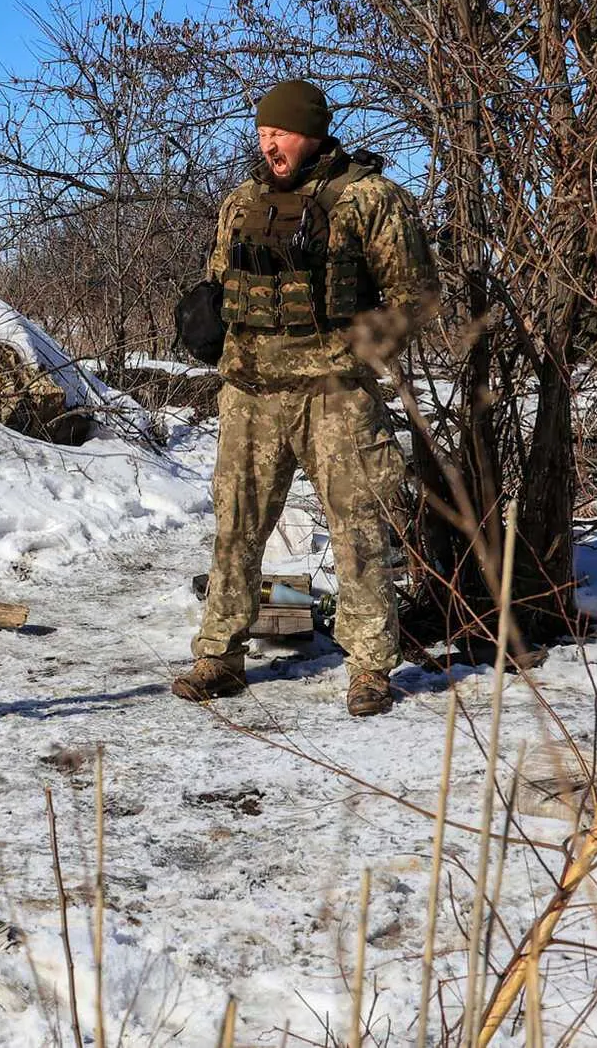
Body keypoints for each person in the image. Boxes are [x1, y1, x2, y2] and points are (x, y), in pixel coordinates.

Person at [172, 80, 439, 717]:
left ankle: (370, 666)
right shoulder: (241, 202)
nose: (269, 145)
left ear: (313, 134)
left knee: (359, 528)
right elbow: (221, 280)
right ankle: (219, 656)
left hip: (335, 396)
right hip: (251, 393)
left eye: (282, 133)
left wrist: (358, 350)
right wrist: (208, 320)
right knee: (235, 526)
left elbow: (417, 296)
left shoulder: (370, 199)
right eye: (263, 133)